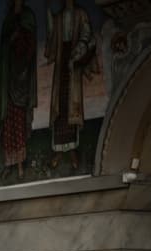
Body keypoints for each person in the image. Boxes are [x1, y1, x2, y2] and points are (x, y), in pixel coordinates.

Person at [45, 0, 97, 170]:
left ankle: (73, 150)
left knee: (71, 106)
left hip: (73, 58)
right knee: (60, 107)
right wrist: (49, 19)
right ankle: (59, 151)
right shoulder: (59, 17)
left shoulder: (80, 13)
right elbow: (53, 36)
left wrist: (80, 47)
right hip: (62, 60)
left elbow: (87, 31)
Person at [0, 0, 38, 180]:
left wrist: (20, 38)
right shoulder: (8, 20)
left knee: (19, 124)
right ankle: (8, 164)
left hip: (22, 78)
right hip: (8, 80)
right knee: (8, 123)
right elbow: (3, 47)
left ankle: (20, 165)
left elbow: (31, 45)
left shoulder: (28, 17)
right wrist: (10, 40)